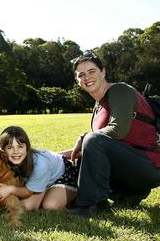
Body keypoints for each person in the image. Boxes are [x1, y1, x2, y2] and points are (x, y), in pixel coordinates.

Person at [66, 51, 160, 218]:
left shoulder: (120, 91)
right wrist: (51, 155)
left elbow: (118, 130)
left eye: (92, 71)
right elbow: (93, 150)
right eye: (81, 75)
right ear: (77, 81)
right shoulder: (98, 106)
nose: (87, 77)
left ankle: (92, 205)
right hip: (132, 165)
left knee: (94, 140)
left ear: (103, 72)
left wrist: (84, 137)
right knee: (89, 147)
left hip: (151, 166)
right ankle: (128, 195)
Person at [0, 126, 78, 211]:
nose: (16, 151)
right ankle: (40, 188)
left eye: (20, 146)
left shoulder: (40, 165)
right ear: (1, 151)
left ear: (27, 147)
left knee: (46, 205)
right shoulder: (1, 158)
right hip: (40, 177)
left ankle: (73, 191)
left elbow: (27, 193)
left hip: (63, 175)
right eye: (9, 147)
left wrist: (10, 189)